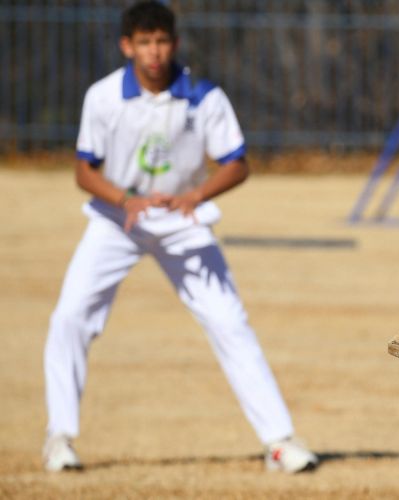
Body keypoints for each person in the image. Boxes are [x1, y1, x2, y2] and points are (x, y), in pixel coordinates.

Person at [41, 1, 317, 473]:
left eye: (162, 41)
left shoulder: (204, 97)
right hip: (117, 221)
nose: (154, 51)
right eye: (144, 42)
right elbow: (84, 171)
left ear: (175, 43)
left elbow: (237, 164)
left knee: (229, 322)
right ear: (127, 46)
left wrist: (195, 196)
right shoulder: (103, 97)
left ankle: (279, 442)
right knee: (70, 316)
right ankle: (59, 438)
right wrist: (124, 199)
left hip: (182, 223)